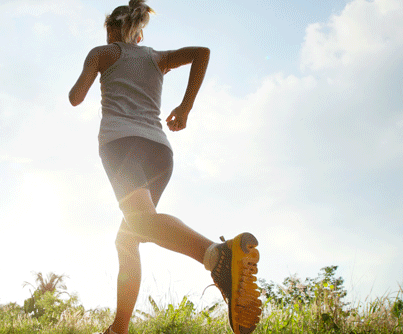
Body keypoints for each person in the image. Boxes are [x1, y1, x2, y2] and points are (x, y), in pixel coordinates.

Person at [68, 1, 262, 333]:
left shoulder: (101, 53)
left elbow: (75, 96)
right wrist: (185, 108)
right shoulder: (158, 58)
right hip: (159, 151)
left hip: (121, 144)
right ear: (140, 34)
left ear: (111, 29)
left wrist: (93, 71)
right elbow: (202, 52)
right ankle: (119, 328)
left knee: (141, 222)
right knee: (129, 236)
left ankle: (217, 255)